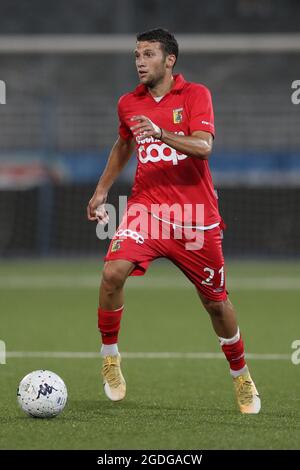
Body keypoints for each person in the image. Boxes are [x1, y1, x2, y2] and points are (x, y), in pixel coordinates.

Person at [87, 28, 261, 414]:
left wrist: (163, 132)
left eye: (148, 54)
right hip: (146, 210)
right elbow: (124, 144)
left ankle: (241, 375)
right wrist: (102, 190)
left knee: (216, 304)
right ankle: (110, 358)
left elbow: (204, 146)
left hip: (195, 219)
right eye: (136, 54)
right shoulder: (128, 104)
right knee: (112, 273)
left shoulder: (196, 95)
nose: (139, 61)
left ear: (170, 60)